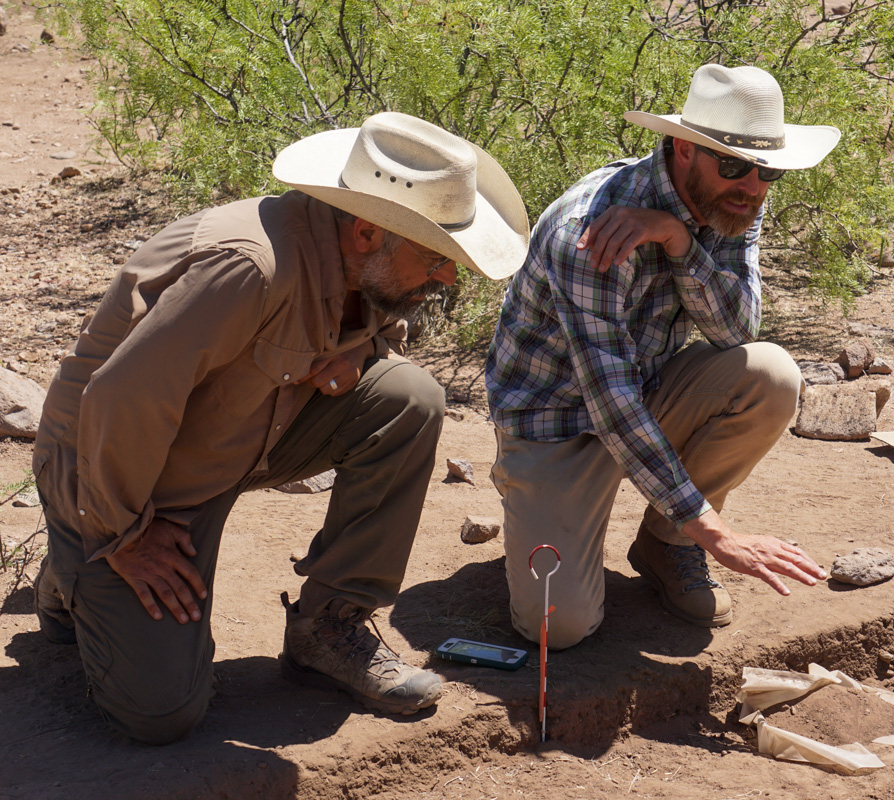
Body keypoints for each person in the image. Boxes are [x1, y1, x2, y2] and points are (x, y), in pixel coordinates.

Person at [31, 112, 530, 743]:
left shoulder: (353, 259)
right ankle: (74, 565)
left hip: (240, 436)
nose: (449, 276)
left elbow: (378, 324)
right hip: (118, 475)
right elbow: (119, 402)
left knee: (409, 398)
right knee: (159, 714)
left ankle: (329, 626)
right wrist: (124, 533)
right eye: (435, 257)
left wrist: (360, 352)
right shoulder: (250, 268)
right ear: (369, 232)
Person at [486, 64, 839, 649]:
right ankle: (553, 503)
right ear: (682, 149)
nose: (752, 184)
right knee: (559, 628)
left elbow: (736, 330)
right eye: (732, 164)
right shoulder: (590, 230)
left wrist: (679, 242)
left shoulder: (735, 199)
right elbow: (610, 403)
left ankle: (667, 544)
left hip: (644, 393)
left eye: (767, 169)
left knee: (771, 375)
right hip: (558, 425)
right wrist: (719, 534)